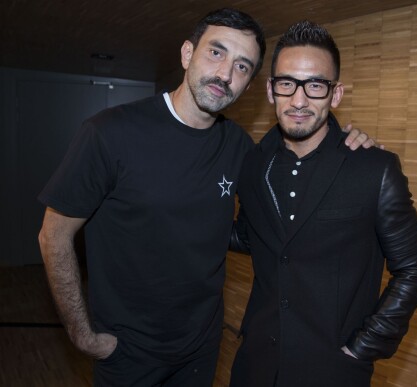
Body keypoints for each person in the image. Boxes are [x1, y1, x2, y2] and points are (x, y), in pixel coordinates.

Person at [37, 8, 373, 387]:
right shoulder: (108, 134)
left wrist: (346, 143)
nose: (226, 74)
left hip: (201, 347)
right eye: (217, 52)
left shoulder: (242, 149)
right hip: (128, 350)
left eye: (243, 66)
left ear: (249, 85)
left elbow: (298, 171)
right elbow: (53, 235)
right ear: (186, 54)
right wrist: (82, 334)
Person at [228, 20, 417, 387]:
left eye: (316, 86)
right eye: (287, 83)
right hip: (255, 364)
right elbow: (251, 235)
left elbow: (413, 269)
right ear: (272, 91)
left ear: (335, 94)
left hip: (333, 371)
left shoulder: (374, 168)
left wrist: (364, 346)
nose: (300, 100)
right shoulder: (254, 164)